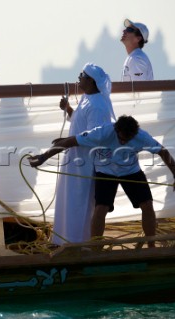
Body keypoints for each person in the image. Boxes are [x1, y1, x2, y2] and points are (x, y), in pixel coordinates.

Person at [29, 115, 175, 247]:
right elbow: (68, 142)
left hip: (130, 171)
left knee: (147, 205)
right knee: (100, 209)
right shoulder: (102, 132)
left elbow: (163, 152)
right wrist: (43, 157)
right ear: (116, 130)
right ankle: (94, 248)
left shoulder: (142, 137)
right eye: (122, 139)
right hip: (105, 172)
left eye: (128, 139)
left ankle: (152, 246)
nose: (125, 142)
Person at [51, 63, 116, 245]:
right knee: (71, 200)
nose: (79, 77)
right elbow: (80, 124)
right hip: (75, 157)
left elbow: (94, 136)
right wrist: (69, 109)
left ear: (92, 81)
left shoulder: (98, 105)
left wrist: (64, 143)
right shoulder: (88, 98)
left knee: (80, 201)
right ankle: (65, 240)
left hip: (85, 162)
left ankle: (78, 243)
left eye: (82, 75)